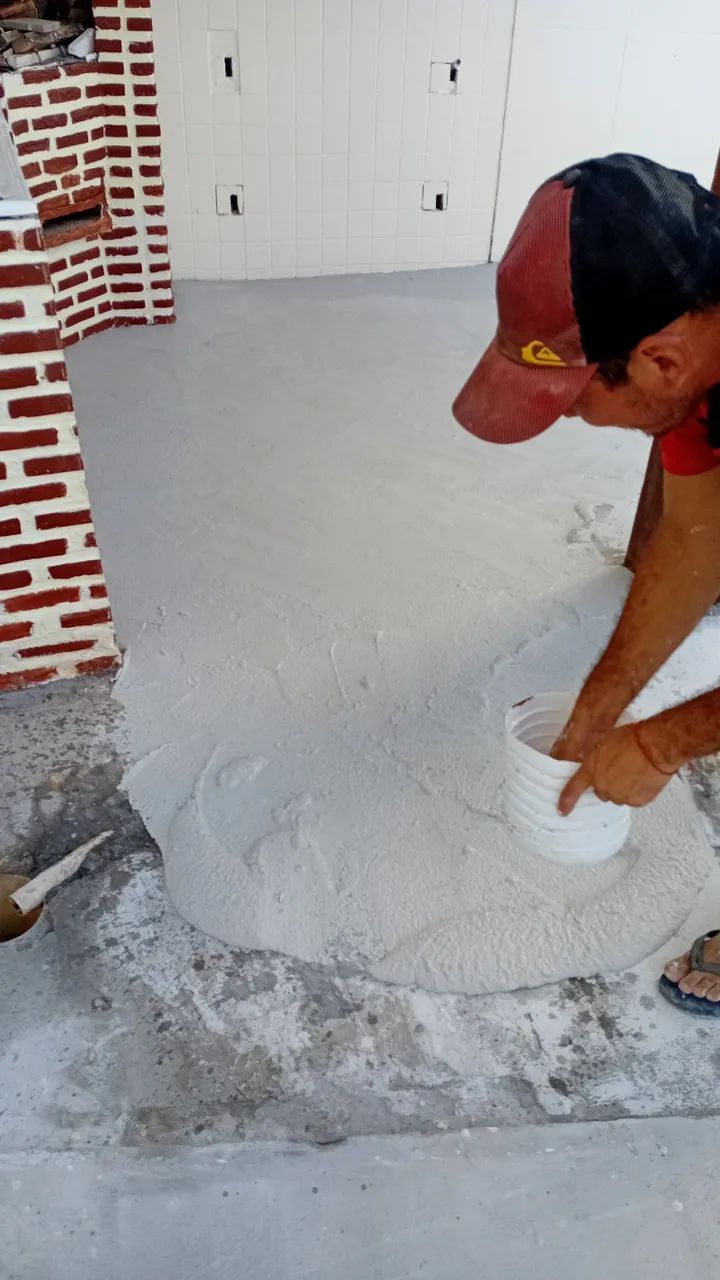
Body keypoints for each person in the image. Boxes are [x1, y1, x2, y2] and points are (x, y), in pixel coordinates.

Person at [452, 154, 720, 1016]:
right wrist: (600, 712)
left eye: (571, 398)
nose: (568, 415)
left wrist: (660, 745)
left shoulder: (678, 358)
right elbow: (693, 535)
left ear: (660, 362)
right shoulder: (689, 368)